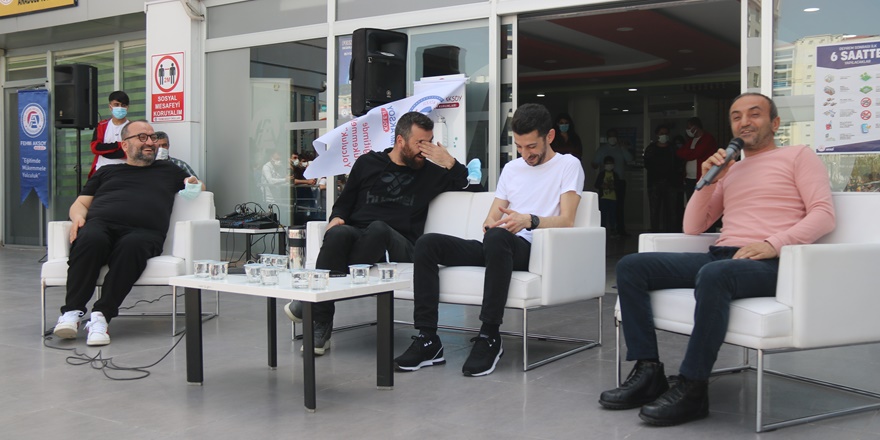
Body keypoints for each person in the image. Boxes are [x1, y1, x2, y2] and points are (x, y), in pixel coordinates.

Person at [598, 93, 835, 426]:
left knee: (715, 274)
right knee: (632, 266)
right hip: (723, 257)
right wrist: (707, 180)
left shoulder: (798, 155)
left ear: (775, 123)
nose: (744, 122)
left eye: (754, 114)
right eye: (736, 117)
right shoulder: (730, 170)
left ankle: (693, 387)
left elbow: (824, 214)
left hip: (773, 262)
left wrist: (773, 244)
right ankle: (648, 370)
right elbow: (693, 226)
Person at [394, 103, 585, 377]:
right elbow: (492, 217)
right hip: (497, 245)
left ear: (550, 136)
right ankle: (428, 340)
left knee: (498, 238)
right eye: (519, 147)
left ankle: (489, 336)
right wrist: (490, 224)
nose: (525, 154)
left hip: (534, 248)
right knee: (428, 244)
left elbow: (567, 220)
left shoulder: (568, 165)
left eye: (531, 146)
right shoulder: (512, 169)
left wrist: (528, 220)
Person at [284, 111, 469, 355]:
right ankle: (322, 323)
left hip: (401, 244)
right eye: (419, 143)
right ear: (400, 141)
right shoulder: (367, 163)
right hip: (360, 238)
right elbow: (345, 202)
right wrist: (336, 217)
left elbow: (470, 185)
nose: (425, 149)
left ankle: (311, 300)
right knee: (338, 234)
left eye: (429, 141)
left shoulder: (430, 173)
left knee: (379, 228)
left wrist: (449, 162)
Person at [52, 120, 203, 346]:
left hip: (144, 231)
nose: (150, 142)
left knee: (132, 246)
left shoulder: (169, 170)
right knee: (90, 238)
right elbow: (80, 203)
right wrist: (78, 218)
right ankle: (71, 313)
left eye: (152, 137)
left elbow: (198, 186)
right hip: (101, 224)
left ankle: (101, 317)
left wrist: (192, 183)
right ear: (124, 144)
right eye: (142, 137)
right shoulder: (106, 171)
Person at [643, 125, 684, 233]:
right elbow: (647, 164)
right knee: (654, 210)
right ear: (657, 135)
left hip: (671, 184)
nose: (664, 135)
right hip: (654, 183)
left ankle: (671, 233)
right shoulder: (651, 149)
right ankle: (655, 232)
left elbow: (678, 164)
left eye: (666, 133)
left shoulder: (673, 148)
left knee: (671, 210)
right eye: (661, 133)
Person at [592, 129, 633, 235]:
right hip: (605, 183)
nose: (612, 138)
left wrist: (623, 148)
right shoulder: (602, 150)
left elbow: (630, 159)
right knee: (604, 209)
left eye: (614, 136)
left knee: (619, 207)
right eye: (610, 136)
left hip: (619, 182)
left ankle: (620, 230)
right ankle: (603, 231)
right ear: (607, 137)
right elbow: (594, 164)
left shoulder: (621, 148)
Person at [88, 90, 131, 178]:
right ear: (110, 106)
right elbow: (95, 148)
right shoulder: (101, 126)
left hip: (125, 173)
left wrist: (104, 152)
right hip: (101, 172)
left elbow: (131, 152)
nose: (120, 108)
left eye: (123, 105)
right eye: (116, 105)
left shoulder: (133, 127)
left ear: (127, 107)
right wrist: (119, 145)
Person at [676, 117, 717, 201]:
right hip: (689, 179)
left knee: (701, 202)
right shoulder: (691, 141)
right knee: (690, 203)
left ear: (695, 127)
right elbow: (679, 152)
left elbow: (696, 153)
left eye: (688, 127)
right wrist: (690, 152)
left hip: (702, 178)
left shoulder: (707, 138)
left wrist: (689, 152)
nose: (687, 130)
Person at [595, 156, 620, 236]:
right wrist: (603, 186)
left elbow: (618, 186)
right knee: (603, 216)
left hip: (613, 198)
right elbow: (596, 184)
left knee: (613, 216)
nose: (609, 165)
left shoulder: (615, 175)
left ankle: (613, 231)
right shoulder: (601, 174)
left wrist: (613, 186)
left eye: (610, 164)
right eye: (607, 163)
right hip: (603, 198)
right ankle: (602, 232)